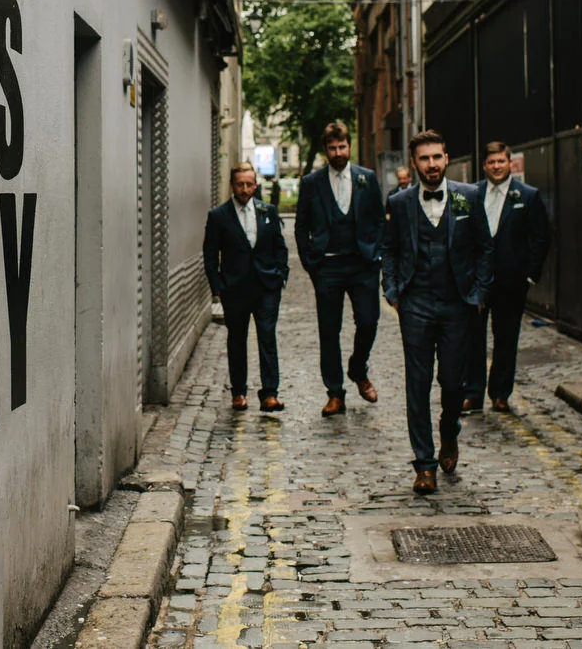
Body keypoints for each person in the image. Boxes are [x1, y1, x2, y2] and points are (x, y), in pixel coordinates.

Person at [381, 130, 493, 494]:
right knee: (417, 383)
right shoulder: (400, 203)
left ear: (447, 158)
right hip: (415, 304)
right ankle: (424, 464)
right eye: (424, 159)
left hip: (458, 304)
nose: (431, 164)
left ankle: (449, 432)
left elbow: (485, 249)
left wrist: (477, 294)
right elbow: (391, 249)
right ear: (414, 164)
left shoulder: (470, 197)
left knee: (452, 383)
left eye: (437, 157)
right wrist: (393, 290)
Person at [295, 120, 385, 416]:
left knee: (369, 322)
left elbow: (378, 220)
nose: (337, 153)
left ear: (350, 146)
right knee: (329, 331)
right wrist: (311, 265)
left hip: (363, 264)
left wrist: (376, 256)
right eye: (332, 148)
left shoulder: (367, 178)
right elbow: (301, 227)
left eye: (342, 147)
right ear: (326, 150)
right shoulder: (311, 183)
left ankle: (358, 369)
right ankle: (335, 393)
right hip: (328, 266)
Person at [463, 142, 551, 414]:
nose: (496, 166)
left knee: (506, 338)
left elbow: (541, 237)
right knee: (473, 337)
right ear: (484, 165)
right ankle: (473, 393)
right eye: (491, 162)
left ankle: (500, 393)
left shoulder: (527, 195)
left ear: (509, 162)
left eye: (501, 161)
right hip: (478, 280)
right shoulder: (472, 193)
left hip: (511, 281)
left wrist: (530, 276)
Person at [203, 163, 290, 412]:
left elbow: (279, 246)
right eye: (240, 184)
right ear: (232, 185)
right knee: (237, 340)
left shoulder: (267, 211)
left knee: (267, 337)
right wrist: (217, 286)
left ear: (255, 184)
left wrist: (280, 275)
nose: (245, 189)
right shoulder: (219, 215)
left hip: (266, 287)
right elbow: (210, 254)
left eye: (249, 184)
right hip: (236, 289)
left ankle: (270, 393)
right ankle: (238, 392)